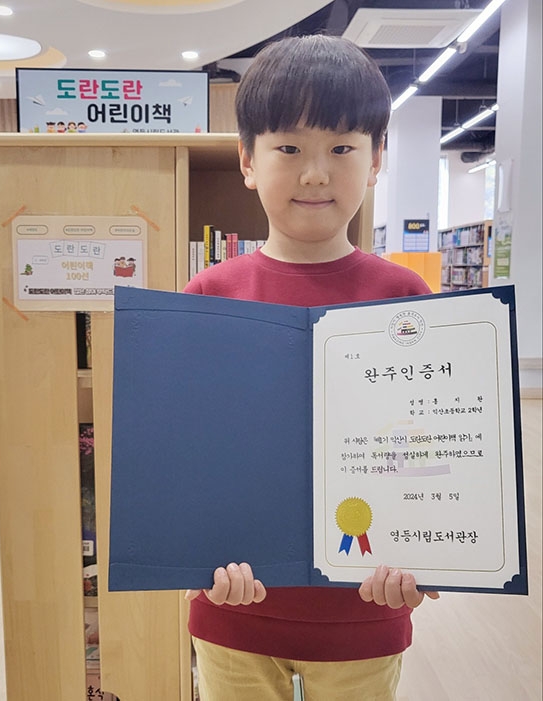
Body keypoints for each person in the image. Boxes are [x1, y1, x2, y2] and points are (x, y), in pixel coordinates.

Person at [184, 34, 439, 701]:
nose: (316, 173)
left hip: (366, 611)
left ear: (376, 160)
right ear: (248, 160)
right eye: (290, 148)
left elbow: (434, 449)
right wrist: (188, 555)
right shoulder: (207, 296)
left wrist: (436, 557)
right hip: (233, 609)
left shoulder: (407, 299)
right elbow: (183, 453)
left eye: (342, 148)